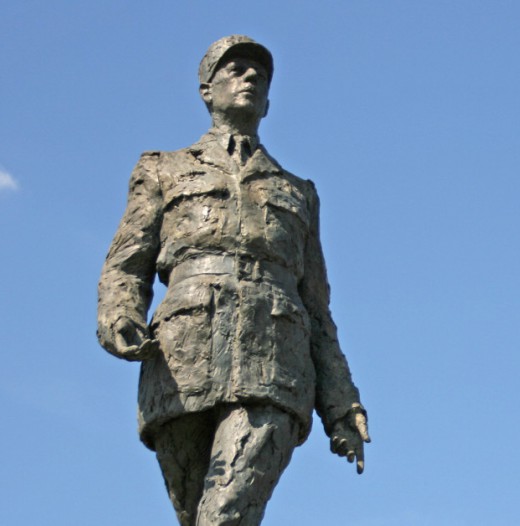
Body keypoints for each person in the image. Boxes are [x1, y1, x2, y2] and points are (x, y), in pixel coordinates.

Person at [97, 35, 370, 526]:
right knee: (197, 516)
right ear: (207, 88)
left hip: (275, 364)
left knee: (225, 516)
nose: (250, 78)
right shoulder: (163, 168)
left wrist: (340, 401)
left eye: (259, 76)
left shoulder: (298, 192)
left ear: (268, 101)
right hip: (181, 362)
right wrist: (119, 314)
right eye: (236, 69)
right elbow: (126, 263)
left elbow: (318, 308)